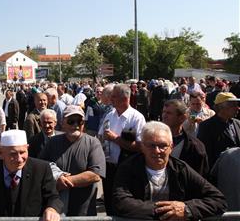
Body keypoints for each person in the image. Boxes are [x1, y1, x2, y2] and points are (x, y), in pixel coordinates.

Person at [112, 121, 227, 220]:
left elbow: (218, 200)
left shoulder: (181, 169)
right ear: (142, 146)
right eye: (151, 145)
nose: (157, 151)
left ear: (171, 147)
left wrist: (187, 209)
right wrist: (168, 211)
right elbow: (121, 202)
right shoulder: (128, 168)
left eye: (162, 145)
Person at [0, 130, 62, 221]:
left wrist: (51, 209)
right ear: (0, 153)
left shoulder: (42, 169)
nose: (19, 159)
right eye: (13, 154)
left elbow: (53, 197)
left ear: (27, 148)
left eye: (22, 152)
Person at [39, 105, 106, 216]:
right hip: (55, 208)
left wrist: (64, 182)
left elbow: (95, 174)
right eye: (71, 121)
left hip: (83, 209)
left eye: (79, 121)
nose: (75, 125)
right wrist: (56, 179)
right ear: (62, 123)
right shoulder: (53, 142)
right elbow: (41, 166)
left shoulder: (93, 143)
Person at [97, 83, 146, 215]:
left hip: (127, 168)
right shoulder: (110, 115)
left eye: (114, 97)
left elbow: (141, 147)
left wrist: (116, 139)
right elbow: (101, 136)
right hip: (109, 167)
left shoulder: (137, 118)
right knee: (109, 201)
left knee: (124, 203)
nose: (110, 99)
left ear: (125, 98)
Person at [162, 99, 209, 176]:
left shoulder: (196, 147)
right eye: (163, 112)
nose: (164, 116)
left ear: (182, 118)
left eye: (169, 113)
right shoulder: (152, 140)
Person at [197, 92, 240, 169]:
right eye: (234, 105)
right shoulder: (206, 126)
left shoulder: (237, 123)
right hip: (220, 173)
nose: (238, 108)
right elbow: (206, 155)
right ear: (221, 108)